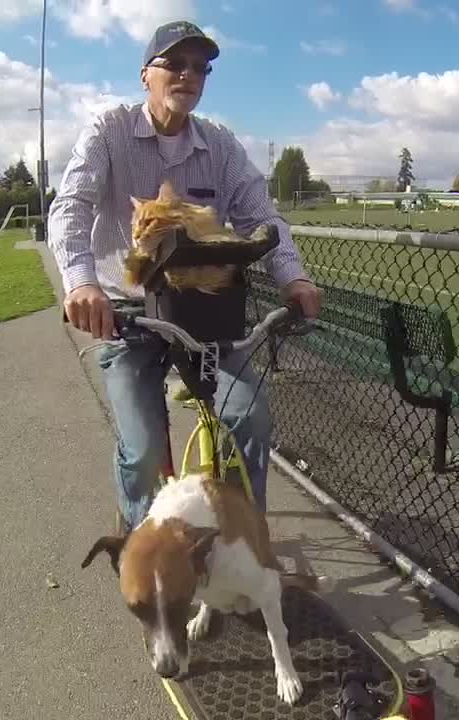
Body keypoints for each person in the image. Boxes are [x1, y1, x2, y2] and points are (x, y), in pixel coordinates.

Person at [47, 20, 322, 531]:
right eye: (174, 63)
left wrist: (293, 277)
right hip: (125, 313)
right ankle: (144, 547)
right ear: (145, 75)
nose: (188, 74)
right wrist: (81, 283)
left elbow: (261, 216)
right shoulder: (108, 131)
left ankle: (244, 545)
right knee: (145, 448)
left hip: (205, 312)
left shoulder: (219, 144)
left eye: (200, 67)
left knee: (247, 417)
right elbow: (71, 207)